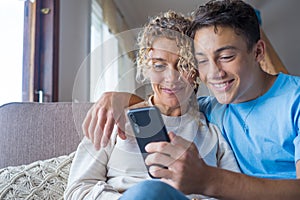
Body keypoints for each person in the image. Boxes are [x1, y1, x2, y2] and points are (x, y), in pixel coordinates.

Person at [82, 0, 300, 199]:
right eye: (202, 60)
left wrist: (208, 180)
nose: (215, 72)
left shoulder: (291, 100)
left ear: (258, 51)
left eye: (226, 57)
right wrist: (118, 99)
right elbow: (169, 105)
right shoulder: (213, 108)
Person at [65, 11, 240, 200]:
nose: (172, 78)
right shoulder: (114, 119)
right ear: (146, 68)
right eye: (159, 65)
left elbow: (235, 192)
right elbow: (77, 190)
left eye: (184, 65)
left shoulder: (212, 133)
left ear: (197, 71)